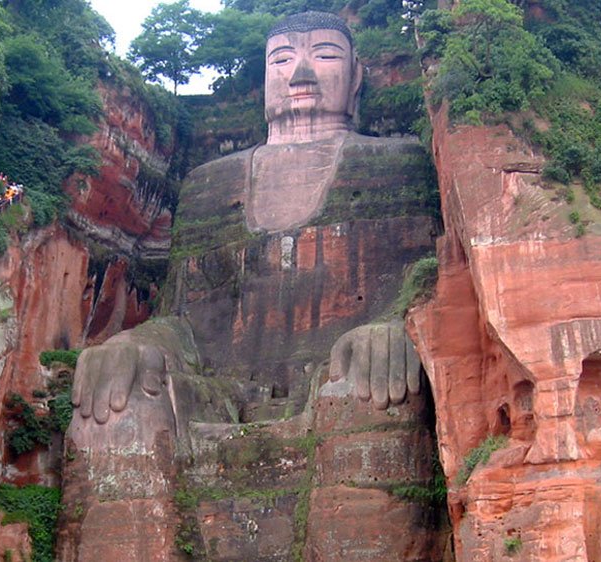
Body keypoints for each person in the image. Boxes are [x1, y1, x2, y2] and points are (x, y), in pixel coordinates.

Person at [65, 11, 440, 560]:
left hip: (334, 376)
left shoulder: (395, 163)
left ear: (356, 77)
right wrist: (129, 344)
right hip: (215, 391)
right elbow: (181, 319)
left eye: (326, 56)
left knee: (369, 387)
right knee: (120, 399)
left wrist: (391, 328)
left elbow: (427, 288)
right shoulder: (207, 184)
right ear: (263, 78)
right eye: (282, 60)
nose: (302, 74)